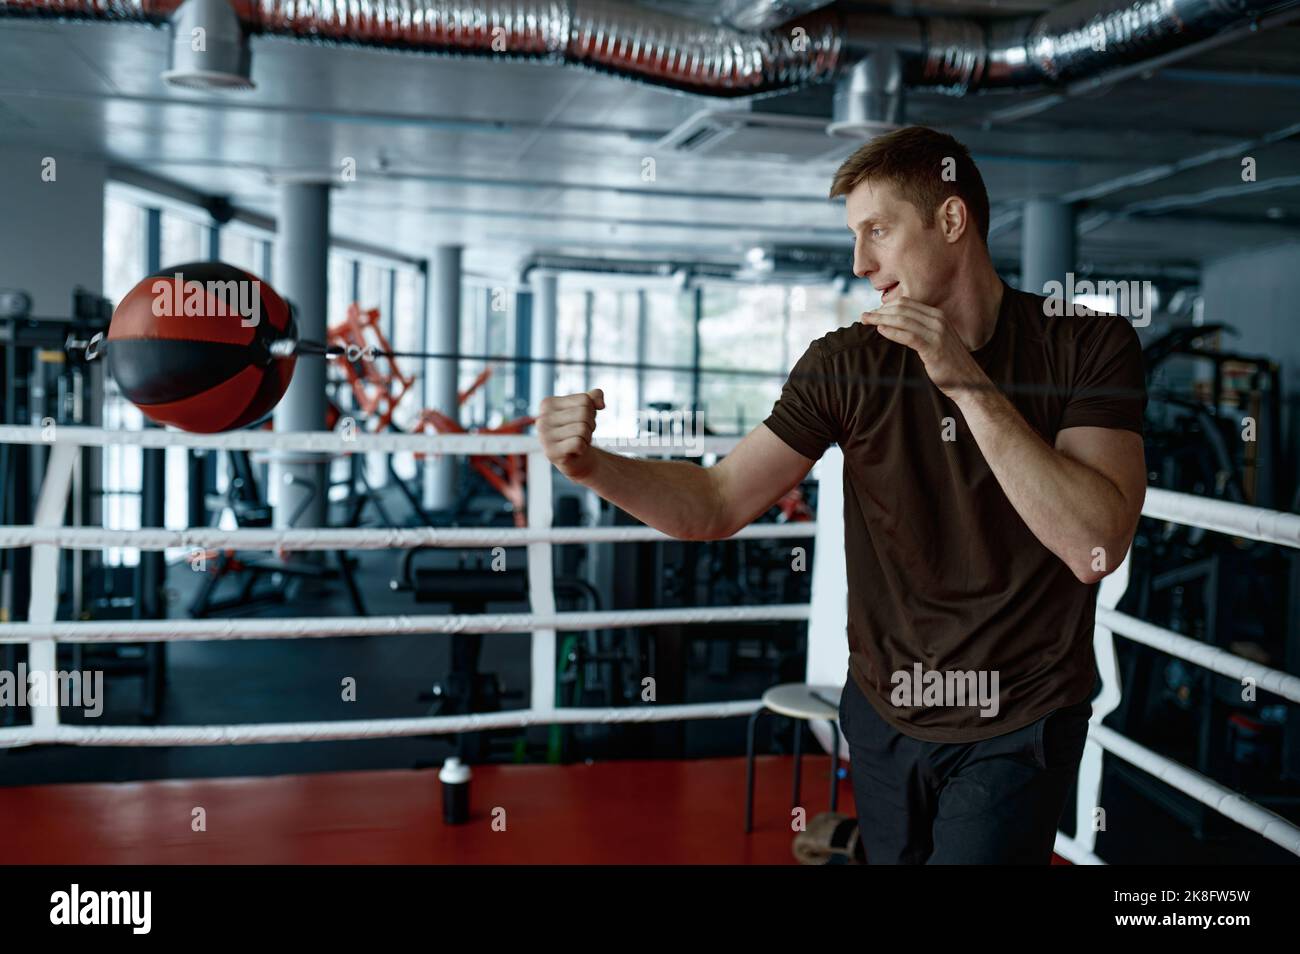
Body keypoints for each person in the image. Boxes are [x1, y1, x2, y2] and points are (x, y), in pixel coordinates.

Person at [536, 125, 1147, 864]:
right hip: (886, 715)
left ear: (951, 221)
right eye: (856, 238)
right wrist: (592, 467)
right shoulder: (847, 364)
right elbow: (717, 500)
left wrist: (962, 381)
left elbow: (1095, 547)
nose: (860, 264)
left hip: (1017, 718)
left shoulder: (1085, 345)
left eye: (878, 232)